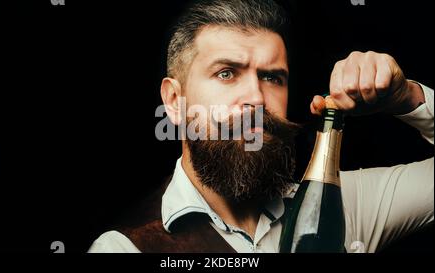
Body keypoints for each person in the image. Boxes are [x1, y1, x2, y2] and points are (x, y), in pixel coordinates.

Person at [88, 0, 433, 253]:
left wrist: (407, 98)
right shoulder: (124, 248)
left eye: (272, 77)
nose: (256, 97)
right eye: (226, 73)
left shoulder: (343, 206)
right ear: (175, 101)